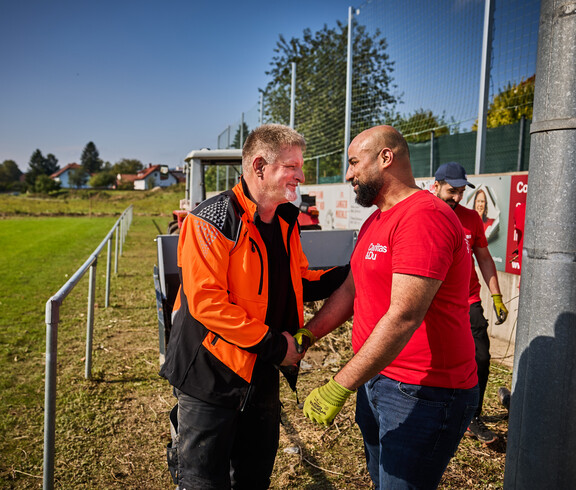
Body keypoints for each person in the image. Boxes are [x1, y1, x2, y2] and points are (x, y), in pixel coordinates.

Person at [159, 123, 347, 489]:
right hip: (209, 376)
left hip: (261, 373)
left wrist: (350, 275)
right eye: (292, 166)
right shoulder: (209, 221)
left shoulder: (285, 221)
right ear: (260, 166)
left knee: (253, 476)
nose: (301, 175)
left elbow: (297, 282)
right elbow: (207, 304)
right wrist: (279, 346)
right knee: (202, 481)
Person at [301, 125, 479, 489]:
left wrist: (340, 385)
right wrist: (308, 335)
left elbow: (404, 316)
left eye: (353, 163)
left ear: (386, 158)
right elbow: (351, 290)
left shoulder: (424, 217)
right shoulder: (377, 218)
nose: (348, 174)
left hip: (424, 392)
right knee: (381, 478)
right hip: (378, 378)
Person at [433, 161, 509, 444]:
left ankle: (471, 417)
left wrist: (497, 295)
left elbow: (485, 258)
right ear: (436, 186)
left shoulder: (471, 219)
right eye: (452, 191)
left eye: (461, 192)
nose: (457, 198)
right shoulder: (423, 213)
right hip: (431, 303)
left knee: (481, 357)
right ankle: (436, 410)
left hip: (468, 300)